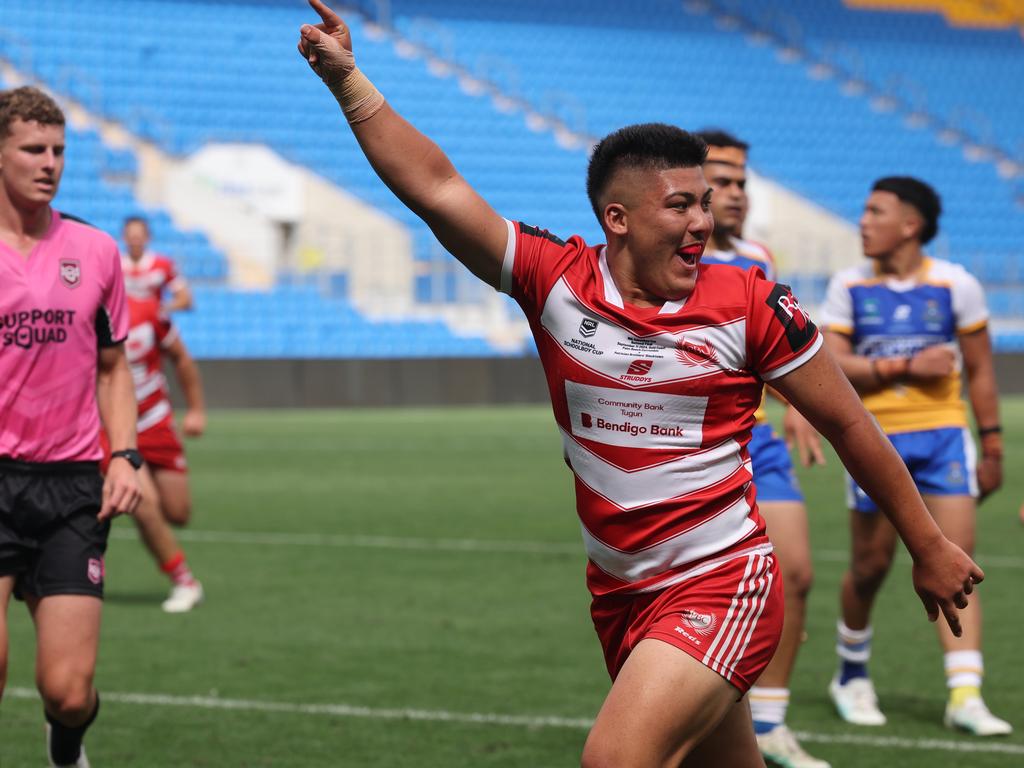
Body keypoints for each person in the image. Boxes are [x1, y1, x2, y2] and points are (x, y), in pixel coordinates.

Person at [297, 5, 984, 764]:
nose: (702, 223)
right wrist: (347, 80)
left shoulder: (751, 302)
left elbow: (851, 424)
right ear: (617, 219)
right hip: (622, 593)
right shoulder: (555, 281)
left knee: (614, 759)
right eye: (681, 205)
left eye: (706, 204)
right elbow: (436, 189)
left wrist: (928, 544)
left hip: (724, 580)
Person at [820, 177, 1011, 736]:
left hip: (946, 438)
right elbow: (832, 365)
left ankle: (965, 693)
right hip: (875, 442)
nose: (862, 221)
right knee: (870, 567)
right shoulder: (847, 285)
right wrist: (903, 369)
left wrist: (993, 443)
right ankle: (851, 675)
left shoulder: (957, 285)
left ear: (910, 224)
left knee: (957, 563)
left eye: (874, 211)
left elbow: (979, 370)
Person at [0, 85, 142, 768]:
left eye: (59, 149)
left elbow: (114, 369)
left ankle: (66, 746)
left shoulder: (95, 250)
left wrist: (126, 456)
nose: (50, 162)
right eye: (32, 148)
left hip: (72, 488)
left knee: (69, 690)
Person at [697, 129, 828, 768]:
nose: (735, 194)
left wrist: (796, 402)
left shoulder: (757, 257)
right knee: (710, 592)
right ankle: (715, 719)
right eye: (720, 180)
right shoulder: (675, 257)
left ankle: (771, 722)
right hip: (702, 448)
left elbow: (772, 348)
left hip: (760, 438)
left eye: (742, 182)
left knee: (797, 572)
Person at [100, 296, 205, 612]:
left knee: (177, 512)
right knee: (144, 503)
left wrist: (196, 410)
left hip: (154, 418)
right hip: (111, 424)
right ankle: (185, 581)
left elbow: (181, 359)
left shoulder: (148, 311)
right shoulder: (83, 311)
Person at [121, 215, 193, 312]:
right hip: (125, 325)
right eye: (131, 235)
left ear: (147, 237)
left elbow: (185, 299)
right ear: (124, 237)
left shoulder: (163, 265)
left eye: (138, 236)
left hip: (152, 325)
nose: (135, 240)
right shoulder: (114, 265)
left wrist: (161, 309)